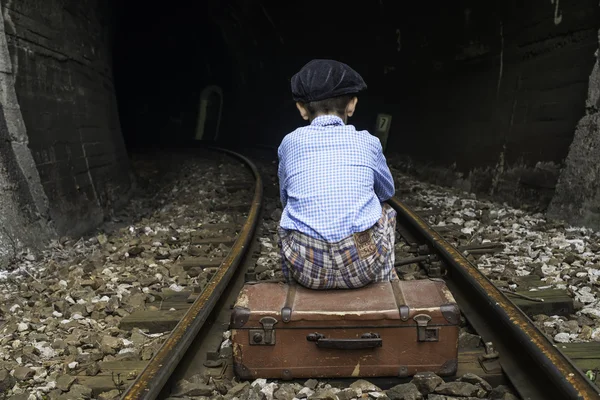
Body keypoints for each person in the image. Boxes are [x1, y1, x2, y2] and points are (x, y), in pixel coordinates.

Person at [277, 59, 396, 290]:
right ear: (352, 105)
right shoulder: (368, 142)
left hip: (306, 270)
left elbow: (284, 197)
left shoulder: (289, 143)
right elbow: (387, 191)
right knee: (387, 211)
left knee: (287, 218)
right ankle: (386, 286)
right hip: (363, 265)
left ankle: (291, 290)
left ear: (301, 108)